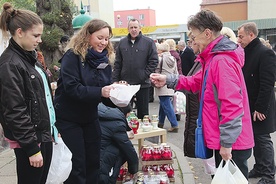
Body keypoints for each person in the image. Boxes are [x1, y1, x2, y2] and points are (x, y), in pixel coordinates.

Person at [150, 9, 254, 179]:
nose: (192, 40)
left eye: (194, 35)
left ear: (207, 33)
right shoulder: (213, 58)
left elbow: (232, 104)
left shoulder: (220, 61)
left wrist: (227, 143)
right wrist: (168, 79)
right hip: (227, 138)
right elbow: (197, 82)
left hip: (231, 141)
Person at [0, 2, 58, 184]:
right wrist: (32, 148)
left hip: (41, 134)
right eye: (36, 35)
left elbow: (42, 98)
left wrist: (53, 128)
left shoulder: (29, 57)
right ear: (19, 32)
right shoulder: (10, 63)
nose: (39, 40)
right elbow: (14, 110)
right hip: (31, 139)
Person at [54, 19, 116, 184]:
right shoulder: (72, 56)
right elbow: (72, 88)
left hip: (90, 117)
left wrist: (117, 94)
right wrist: (100, 91)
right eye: (100, 37)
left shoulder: (105, 60)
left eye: (107, 38)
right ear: (88, 35)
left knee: (93, 162)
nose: (104, 42)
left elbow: (105, 91)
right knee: (77, 165)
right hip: (69, 118)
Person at [237, 22, 276, 184]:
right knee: (256, 138)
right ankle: (260, 167)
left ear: (251, 35)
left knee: (263, 139)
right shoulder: (248, 51)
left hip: (261, 105)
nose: (238, 40)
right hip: (250, 104)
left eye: (241, 36)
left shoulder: (264, 52)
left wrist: (260, 108)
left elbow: (267, 83)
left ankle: (269, 174)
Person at [112, 18, 158, 119]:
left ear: (140, 28)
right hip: (125, 84)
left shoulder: (148, 43)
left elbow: (153, 61)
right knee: (124, 112)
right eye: (131, 27)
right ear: (128, 29)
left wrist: (143, 75)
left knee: (143, 113)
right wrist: (115, 80)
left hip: (142, 84)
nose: (133, 30)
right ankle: (126, 132)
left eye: (135, 27)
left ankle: (143, 134)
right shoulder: (122, 43)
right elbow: (118, 63)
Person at [98, 103, 138, 184]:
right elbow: (128, 149)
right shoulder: (116, 122)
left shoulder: (100, 113)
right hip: (103, 163)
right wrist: (133, 169)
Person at [155, 43, 179, 132]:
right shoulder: (173, 58)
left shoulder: (160, 58)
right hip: (171, 82)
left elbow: (157, 70)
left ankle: (174, 124)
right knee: (164, 104)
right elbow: (176, 71)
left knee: (166, 104)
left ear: (161, 50)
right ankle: (160, 122)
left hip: (162, 82)